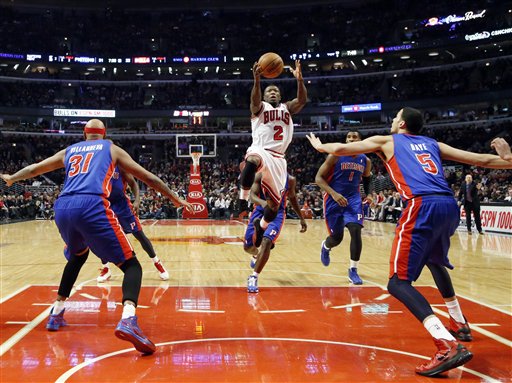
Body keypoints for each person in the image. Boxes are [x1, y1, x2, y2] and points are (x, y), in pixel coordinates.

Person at [306, 107, 512, 377]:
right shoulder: (432, 144)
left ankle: (446, 344)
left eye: (394, 118)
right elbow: (481, 160)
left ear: (401, 124)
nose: (391, 121)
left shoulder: (388, 140)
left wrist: (321, 146)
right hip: (448, 206)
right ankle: (459, 322)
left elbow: (344, 149)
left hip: (421, 204)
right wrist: (508, 158)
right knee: (434, 261)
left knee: (397, 282)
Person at [1, 119, 194, 355]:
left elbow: (34, 169)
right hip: (91, 204)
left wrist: (11, 179)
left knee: (77, 256)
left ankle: (56, 312)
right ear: (104, 134)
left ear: (84, 134)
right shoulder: (111, 148)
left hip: (62, 207)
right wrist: (175, 198)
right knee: (132, 265)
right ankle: (128, 319)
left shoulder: (69, 150)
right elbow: (149, 178)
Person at [238, 59, 307, 247]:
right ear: (265, 96)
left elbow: (302, 100)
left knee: (274, 207)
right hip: (261, 149)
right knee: (252, 160)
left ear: (280, 95)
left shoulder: (287, 108)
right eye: (270, 91)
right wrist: (257, 80)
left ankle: (260, 227)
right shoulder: (259, 107)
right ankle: (242, 201)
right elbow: (254, 99)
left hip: (278, 158)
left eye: (276, 91)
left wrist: (300, 80)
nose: (273, 92)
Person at [315, 130, 372, 285]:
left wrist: (369, 194)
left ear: (361, 140)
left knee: (355, 229)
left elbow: (367, 179)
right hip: (333, 199)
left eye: (354, 137)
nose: (351, 139)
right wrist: (334, 194)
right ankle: (326, 246)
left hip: (353, 199)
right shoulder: (335, 155)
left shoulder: (365, 160)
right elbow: (318, 178)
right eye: (348, 137)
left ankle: (353, 270)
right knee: (337, 238)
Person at [97, 166, 169, 283]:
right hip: (106, 205)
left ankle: (157, 263)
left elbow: (133, 184)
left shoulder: (120, 166)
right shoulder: (99, 167)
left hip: (123, 206)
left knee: (139, 235)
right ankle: (106, 268)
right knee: (102, 238)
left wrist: (137, 200)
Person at [244, 173, 307, 293]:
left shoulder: (290, 179)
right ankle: (256, 252)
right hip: (260, 210)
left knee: (267, 241)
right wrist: (264, 204)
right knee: (248, 247)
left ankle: (254, 277)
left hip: (277, 214)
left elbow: (293, 198)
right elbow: (251, 195)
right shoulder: (261, 175)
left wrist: (301, 218)